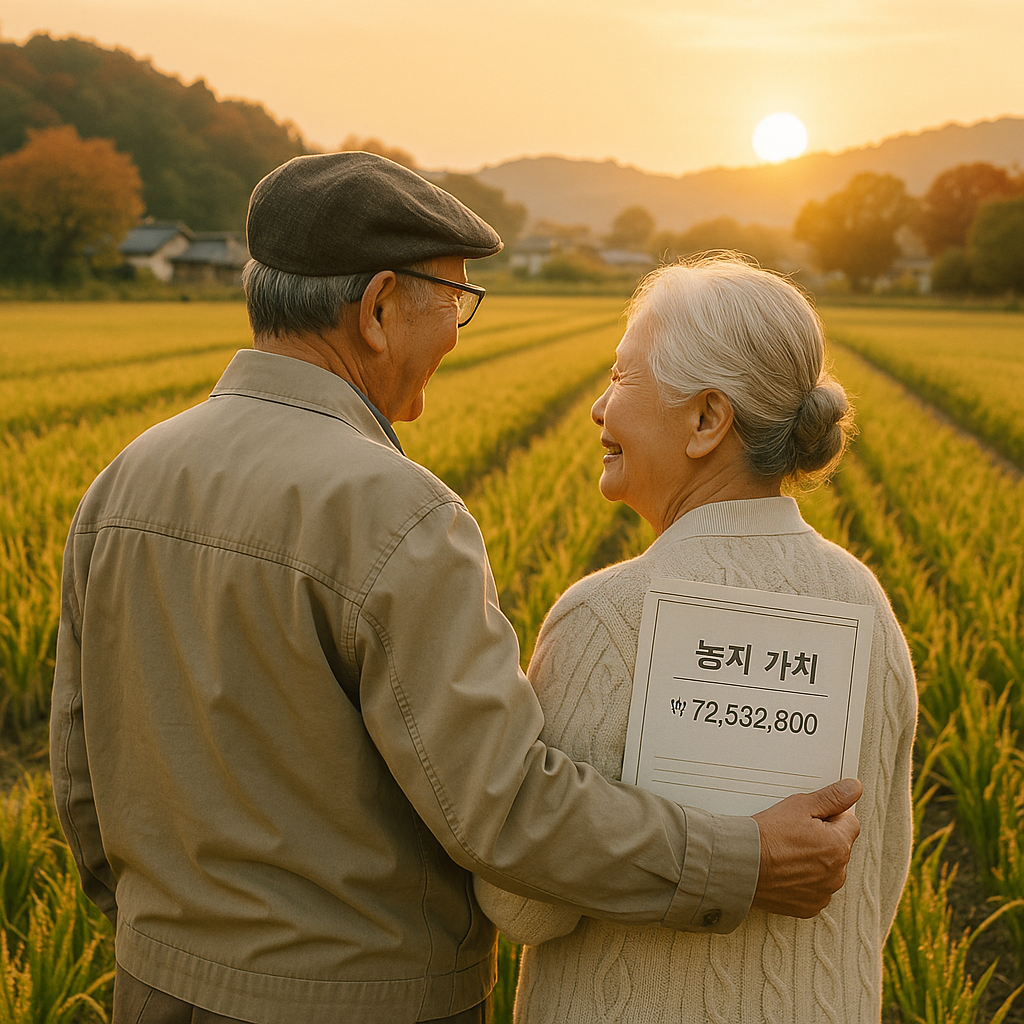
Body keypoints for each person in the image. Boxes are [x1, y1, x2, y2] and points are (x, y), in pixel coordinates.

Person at [51, 156, 862, 1024]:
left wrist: (174, 940)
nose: (459, 331)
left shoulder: (124, 482)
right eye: (456, 302)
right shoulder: (394, 512)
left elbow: (80, 773)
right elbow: (503, 810)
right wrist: (738, 861)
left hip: (154, 987)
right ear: (377, 308)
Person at [475, 255, 918, 1024]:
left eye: (620, 378)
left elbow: (522, 907)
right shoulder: (865, 606)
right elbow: (877, 875)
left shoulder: (608, 618)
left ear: (708, 418)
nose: (596, 407)